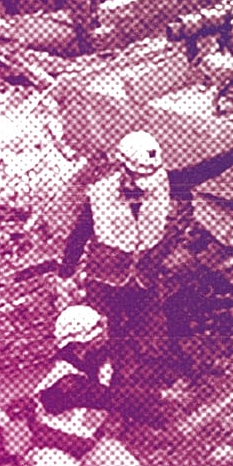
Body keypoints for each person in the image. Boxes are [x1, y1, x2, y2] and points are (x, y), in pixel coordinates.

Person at [58, 130, 175, 361]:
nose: (146, 184)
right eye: (140, 177)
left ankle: (150, 383)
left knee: (154, 337)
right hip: (104, 280)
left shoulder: (160, 183)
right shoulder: (100, 195)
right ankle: (104, 383)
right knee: (102, 338)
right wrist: (65, 274)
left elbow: (199, 172)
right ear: (123, 167)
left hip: (143, 277)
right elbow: (78, 236)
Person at [34, 305, 174, 445]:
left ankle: (161, 424)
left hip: (85, 436)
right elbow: (113, 397)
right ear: (82, 341)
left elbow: (120, 387)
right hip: (58, 441)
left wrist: (159, 419)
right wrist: (161, 396)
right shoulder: (67, 377)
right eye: (98, 329)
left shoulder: (92, 357)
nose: (104, 330)